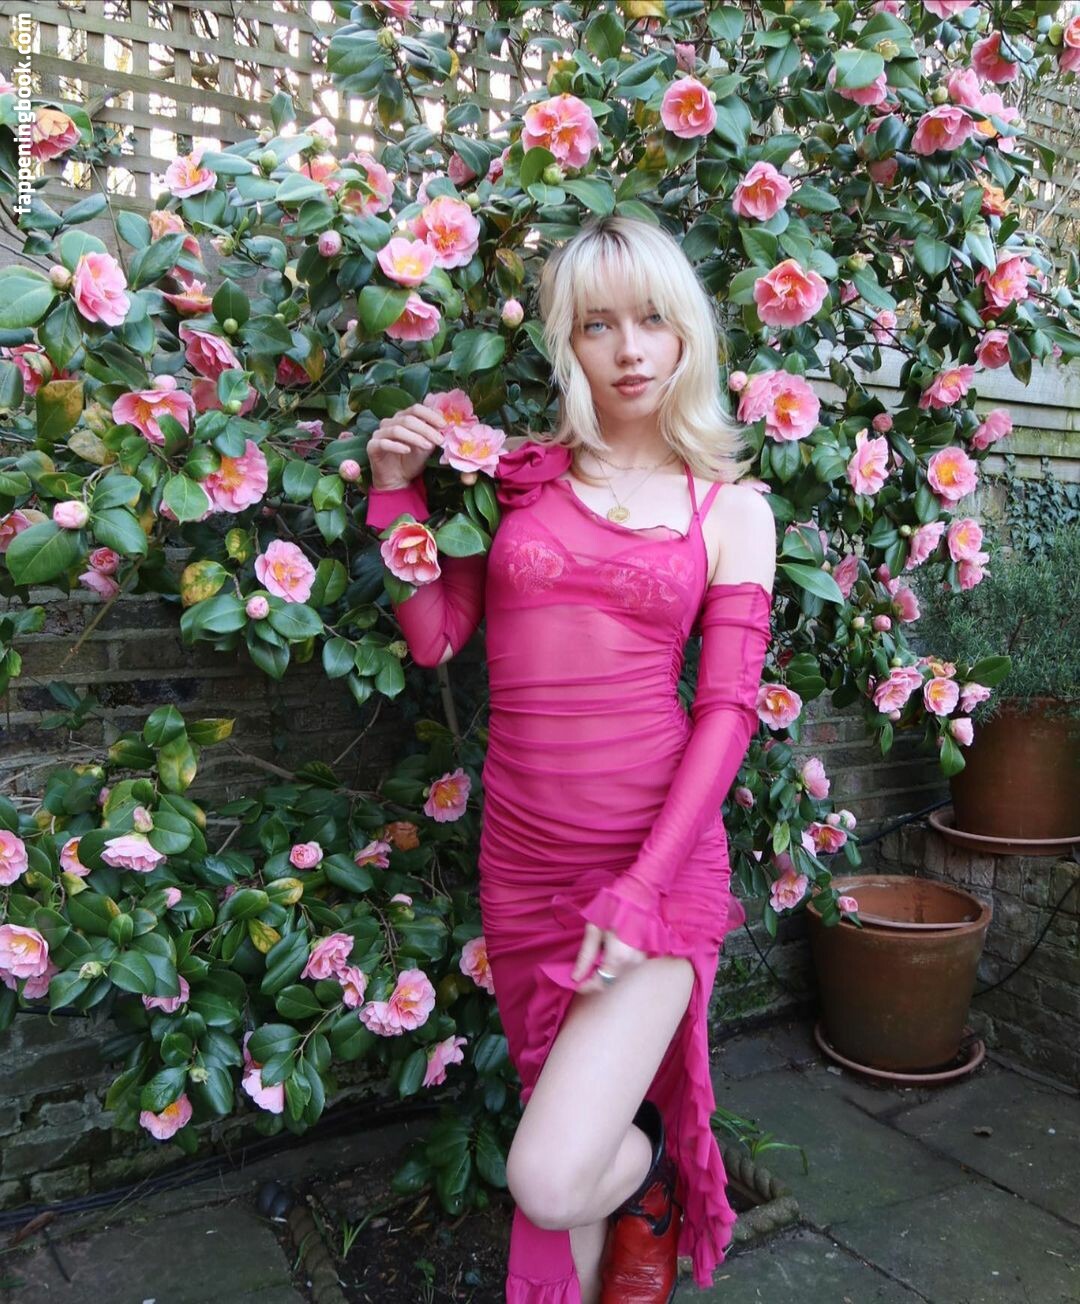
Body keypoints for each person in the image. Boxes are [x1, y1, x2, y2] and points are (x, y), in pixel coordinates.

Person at [365, 214, 776, 1304]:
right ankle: (626, 1207)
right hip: (525, 868)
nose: (630, 349)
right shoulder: (518, 480)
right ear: (567, 341)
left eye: (652, 320)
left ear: (688, 332)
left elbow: (727, 713)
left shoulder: (731, 508)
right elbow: (436, 637)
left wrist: (641, 888)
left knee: (549, 1176)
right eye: (598, 325)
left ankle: (652, 1174)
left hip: (656, 872)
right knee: (567, 1146)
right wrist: (395, 491)